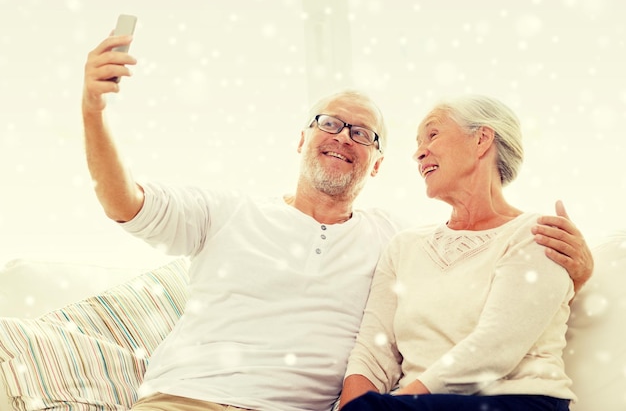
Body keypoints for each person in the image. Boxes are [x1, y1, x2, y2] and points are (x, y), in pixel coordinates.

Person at [82, 32, 592, 411]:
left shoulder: (393, 235)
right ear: (302, 139)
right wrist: (92, 111)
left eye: (363, 134)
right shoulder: (229, 211)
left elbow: (490, 304)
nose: (344, 136)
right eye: (329, 123)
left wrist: (579, 272)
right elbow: (122, 201)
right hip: (186, 399)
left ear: (376, 164)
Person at [339, 95, 582, 411]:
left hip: (517, 402)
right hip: (417, 405)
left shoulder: (536, 233)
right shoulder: (403, 246)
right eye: (418, 143)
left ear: (481, 139)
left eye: (433, 134)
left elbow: (494, 350)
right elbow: (373, 352)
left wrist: (387, 407)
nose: (418, 152)